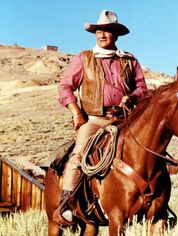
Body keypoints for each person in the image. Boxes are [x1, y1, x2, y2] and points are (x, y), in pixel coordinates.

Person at [53, 10, 147, 226]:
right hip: (94, 119)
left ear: (116, 35)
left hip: (124, 118)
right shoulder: (84, 58)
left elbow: (142, 87)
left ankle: (159, 204)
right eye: (99, 31)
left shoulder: (129, 60)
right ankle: (66, 204)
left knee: (148, 150)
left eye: (107, 31)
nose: (102, 35)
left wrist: (132, 96)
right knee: (79, 154)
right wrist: (76, 112)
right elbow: (65, 86)